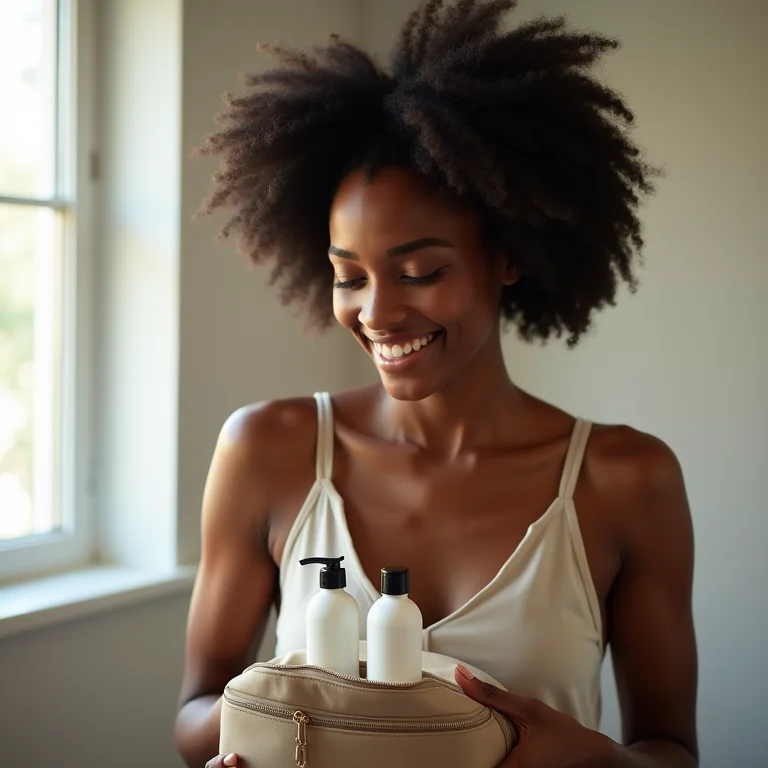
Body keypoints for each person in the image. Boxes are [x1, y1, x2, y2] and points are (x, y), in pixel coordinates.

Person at [173, 1, 698, 766]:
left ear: (508, 257)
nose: (378, 312)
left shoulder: (625, 480)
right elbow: (194, 714)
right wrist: (258, 728)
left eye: (421, 272)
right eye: (348, 276)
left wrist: (593, 758)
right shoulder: (268, 450)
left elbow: (674, 751)